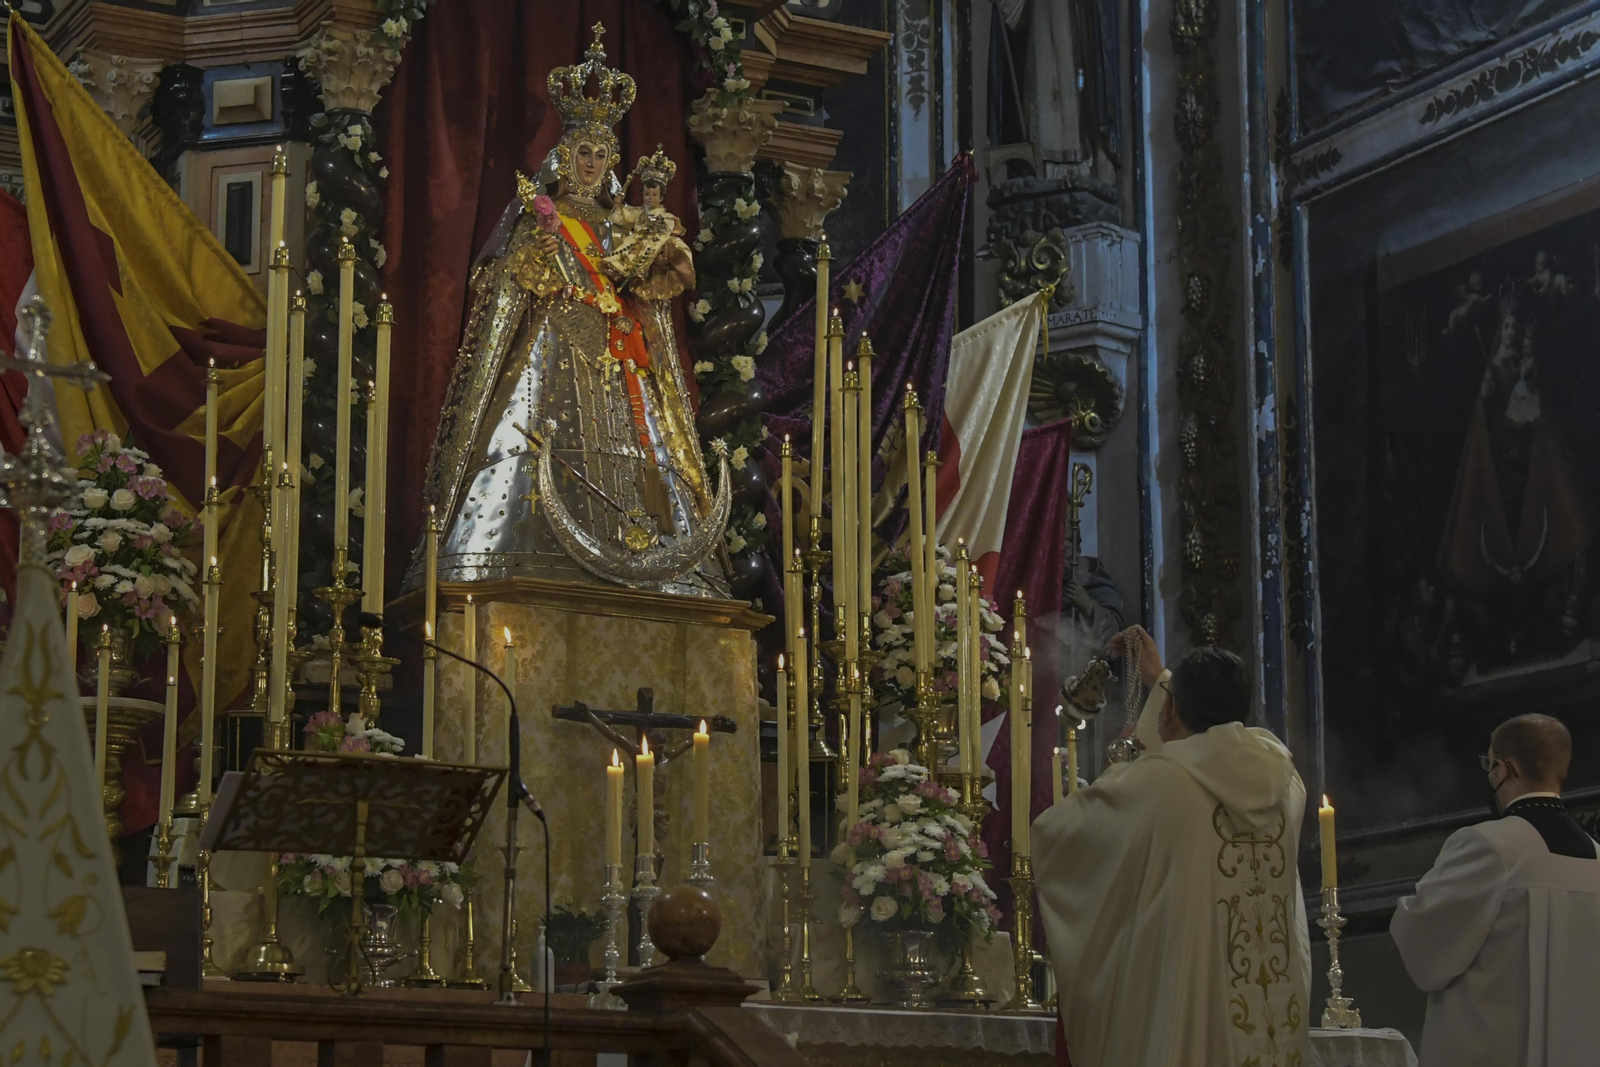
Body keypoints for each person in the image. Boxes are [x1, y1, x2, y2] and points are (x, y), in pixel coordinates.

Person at [413, 25, 727, 597]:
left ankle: (650, 563)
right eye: (582, 151)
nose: (590, 162)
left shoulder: (621, 221)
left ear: (610, 159)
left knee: (639, 452)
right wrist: (549, 249)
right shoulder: (540, 214)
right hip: (555, 348)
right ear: (566, 154)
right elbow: (516, 276)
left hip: (621, 354)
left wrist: (654, 249)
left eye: (600, 153)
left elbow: (659, 281)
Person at [1033, 627, 1311, 1067]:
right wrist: (1163, 681)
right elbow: (1218, 746)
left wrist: (1124, 764)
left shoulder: (1156, 783)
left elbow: (1055, 836)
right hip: (1271, 1023)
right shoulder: (1286, 785)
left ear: (1171, 709)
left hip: (1192, 1021)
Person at [1390, 713, 1600, 1066]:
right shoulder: (1596, 857)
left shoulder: (1487, 846)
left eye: (1489, 765)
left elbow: (1422, 943)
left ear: (1504, 768)